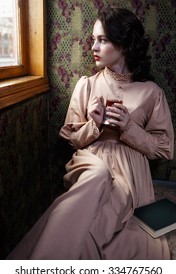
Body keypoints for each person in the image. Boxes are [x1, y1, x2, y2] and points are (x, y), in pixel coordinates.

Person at [7, 7, 174, 260]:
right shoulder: (88, 84)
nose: (93, 47)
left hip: (130, 171)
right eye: (93, 39)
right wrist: (93, 125)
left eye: (102, 40)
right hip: (91, 162)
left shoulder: (151, 92)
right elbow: (69, 137)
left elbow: (164, 148)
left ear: (124, 45)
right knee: (97, 176)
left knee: (97, 229)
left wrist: (129, 128)